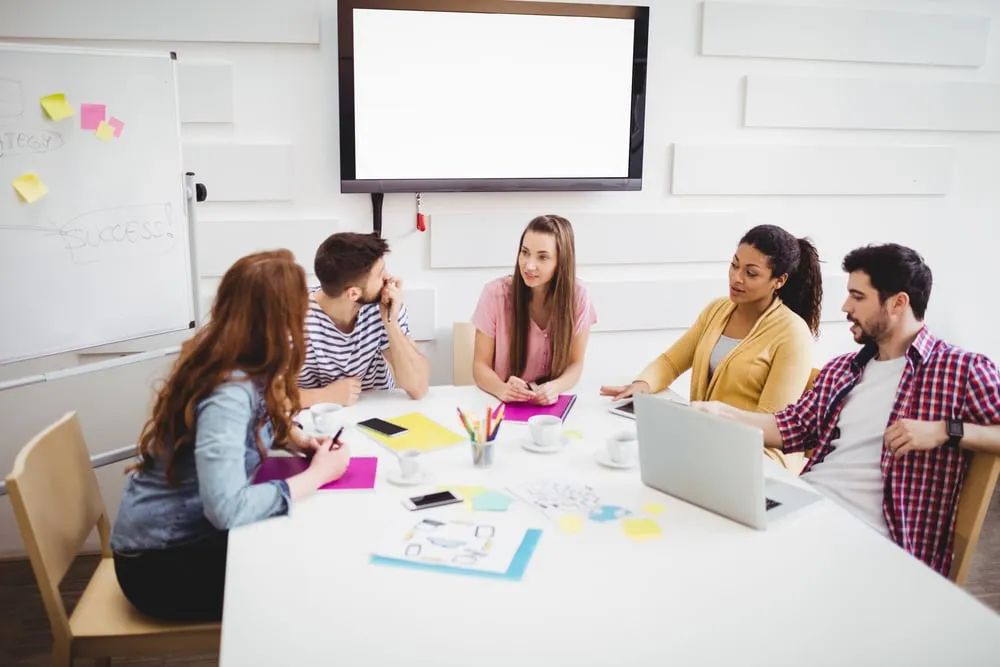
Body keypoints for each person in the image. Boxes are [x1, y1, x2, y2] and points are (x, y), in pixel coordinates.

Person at [692, 243, 1000, 577]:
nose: (845, 306)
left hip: (872, 540)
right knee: (700, 523)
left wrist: (945, 431)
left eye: (858, 296)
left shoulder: (961, 369)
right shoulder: (844, 369)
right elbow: (791, 427)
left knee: (722, 557)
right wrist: (722, 415)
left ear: (898, 302)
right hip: (808, 505)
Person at [110, 250, 352, 621]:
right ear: (277, 323)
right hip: (160, 563)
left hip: (182, 537)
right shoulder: (228, 393)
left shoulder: (233, 356)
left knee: (313, 557)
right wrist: (318, 475)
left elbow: (253, 424)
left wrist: (295, 439)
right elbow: (226, 510)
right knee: (314, 588)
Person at [600, 224, 823, 470]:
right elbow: (671, 362)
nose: (736, 278)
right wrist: (642, 385)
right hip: (709, 443)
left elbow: (770, 426)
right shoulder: (717, 309)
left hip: (759, 460)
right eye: (734, 265)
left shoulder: (792, 334)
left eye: (751, 273)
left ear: (779, 281)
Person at [471, 214, 598, 405]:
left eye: (543, 257)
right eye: (525, 252)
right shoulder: (494, 294)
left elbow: (575, 363)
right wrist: (502, 389)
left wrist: (556, 386)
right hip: (503, 406)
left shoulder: (579, 297)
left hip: (553, 407)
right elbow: (480, 366)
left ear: (561, 262)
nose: (529, 265)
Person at [297, 232, 430, 406]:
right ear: (353, 294)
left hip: (378, 420)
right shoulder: (294, 318)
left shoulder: (383, 306)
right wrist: (325, 396)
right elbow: (270, 399)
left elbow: (418, 387)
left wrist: (391, 323)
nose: (389, 278)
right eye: (381, 274)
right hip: (317, 427)